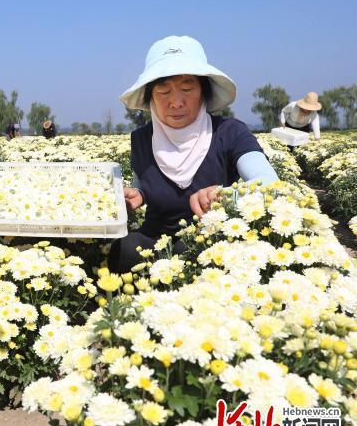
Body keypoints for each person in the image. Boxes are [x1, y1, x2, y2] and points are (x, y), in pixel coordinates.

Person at [107, 35, 279, 273]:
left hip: (208, 238)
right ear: (151, 98)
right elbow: (144, 184)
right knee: (125, 249)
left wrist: (226, 196)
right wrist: (138, 195)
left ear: (204, 92)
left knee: (187, 251)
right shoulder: (141, 138)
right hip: (154, 238)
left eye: (187, 88)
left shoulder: (229, 132)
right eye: (164, 91)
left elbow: (271, 186)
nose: (176, 102)